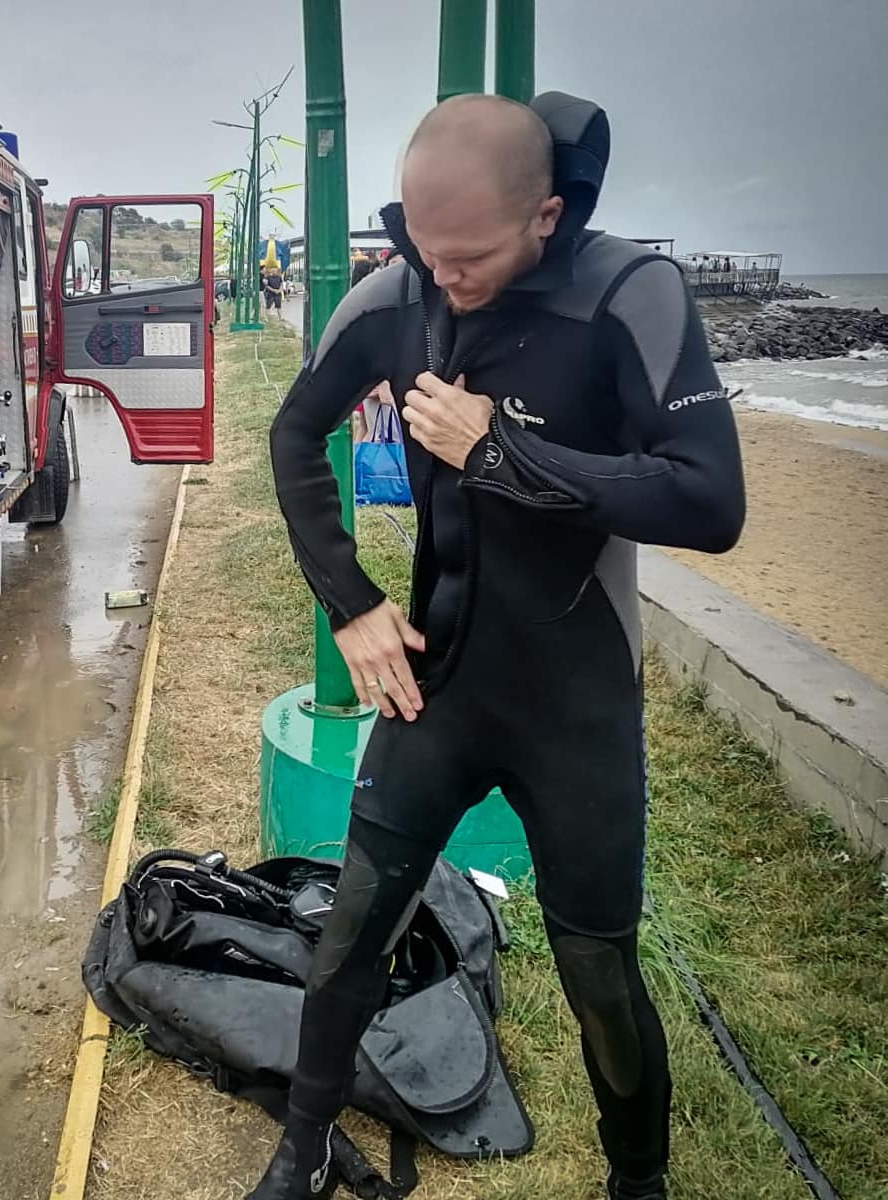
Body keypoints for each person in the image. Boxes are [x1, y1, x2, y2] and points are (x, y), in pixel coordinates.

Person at [258, 91, 745, 1200]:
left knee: (596, 967)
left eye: (465, 256)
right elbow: (294, 429)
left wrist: (495, 457)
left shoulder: (627, 296)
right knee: (349, 932)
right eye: (422, 250)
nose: (443, 277)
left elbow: (708, 502)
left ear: (545, 214)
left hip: (574, 700)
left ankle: (638, 1182)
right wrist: (349, 600)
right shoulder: (400, 292)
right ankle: (299, 1147)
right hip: (439, 686)